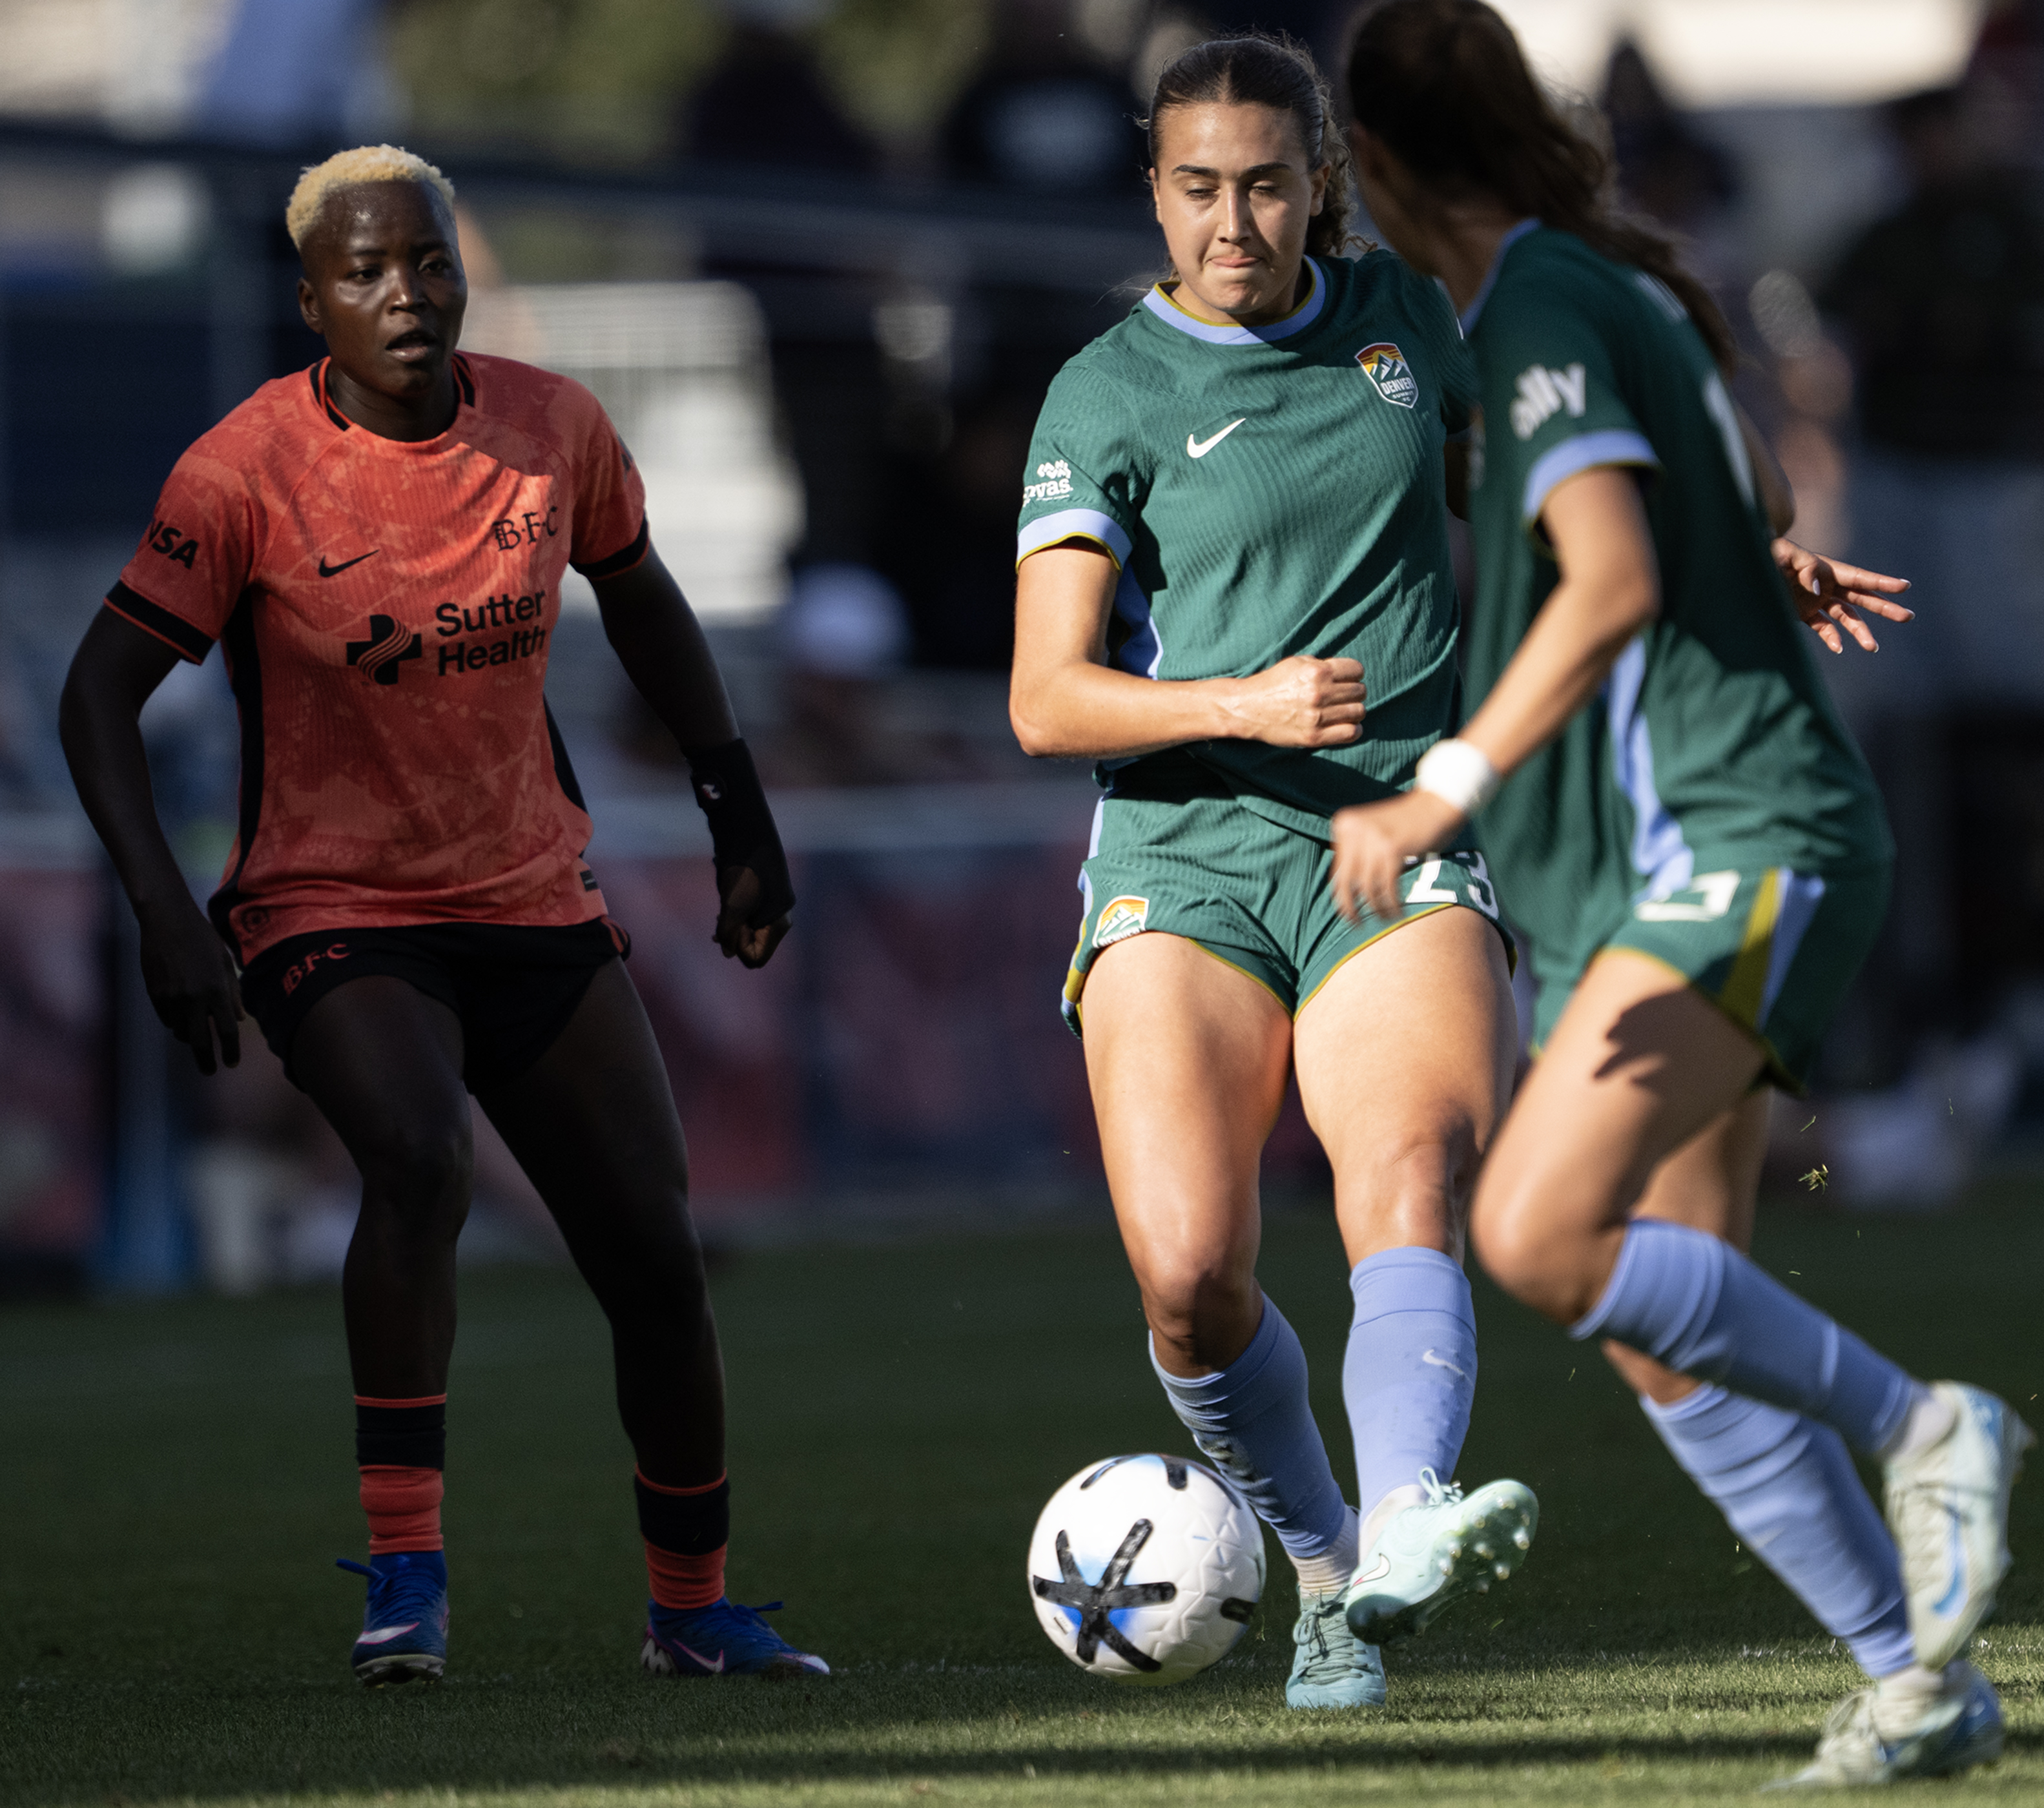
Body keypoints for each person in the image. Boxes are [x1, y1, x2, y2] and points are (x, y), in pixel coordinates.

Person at [1338, 2, 2031, 1786]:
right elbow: (1669, 526)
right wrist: (1764, 564)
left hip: (1725, 837)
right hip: (1637, 868)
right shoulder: (1579, 292)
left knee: (1535, 1234)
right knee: (1665, 1310)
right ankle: (1914, 1680)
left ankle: (1927, 1421)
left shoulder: (1549, 306)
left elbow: (1611, 578)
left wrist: (1441, 787)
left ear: (1382, 165)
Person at [56, 147, 824, 1686]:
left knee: (657, 1257)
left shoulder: (556, 428)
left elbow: (648, 597)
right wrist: (165, 912)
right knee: (418, 1157)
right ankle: (405, 1578)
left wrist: (737, 808)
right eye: (366, 273)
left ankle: (695, 1608)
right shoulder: (242, 472)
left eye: (429, 264)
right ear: (310, 300)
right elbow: (98, 700)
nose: (404, 295)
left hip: (528, 889)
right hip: (324, 903)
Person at [1006, 34, 1536, 1712]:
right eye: (1194, 189)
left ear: (1322, 177)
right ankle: (1319, 1572)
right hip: (1180, 849)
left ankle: (1404, 1529)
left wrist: (1743, 567)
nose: (1231, 222)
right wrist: (1240, 700)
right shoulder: (1105, 392)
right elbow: (1044, 693)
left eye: (1264, 183)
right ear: (1151, 194)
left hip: (1392, 834)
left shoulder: (1414, 328)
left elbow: (1545, 504)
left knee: (1405, 1176)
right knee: (1186, 1274)